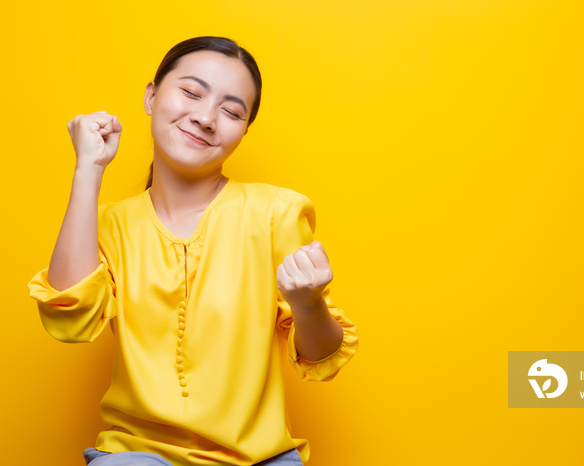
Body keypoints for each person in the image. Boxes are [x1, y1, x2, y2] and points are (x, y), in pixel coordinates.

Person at [27, 36, 358, 466]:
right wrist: (88, 171)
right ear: (151, 95)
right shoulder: (109, 225)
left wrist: (308, 303)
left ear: (243, 131)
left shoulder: (278, 212)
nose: (205, 118)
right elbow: (68, 321)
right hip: (138, 455)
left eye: (232, 110)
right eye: (191, 92)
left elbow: (323, 355)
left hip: (260, 458)